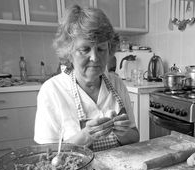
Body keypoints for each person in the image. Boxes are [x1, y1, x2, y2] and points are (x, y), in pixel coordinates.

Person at [34, 5, 139, 151]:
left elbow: (135, 137)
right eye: (84, 50)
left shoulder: (116, 83)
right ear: (69, 52)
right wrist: (86, 136)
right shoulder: (52, 91)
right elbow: (46, 154)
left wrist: (124, 132)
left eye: (101, 49)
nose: (95, 58)